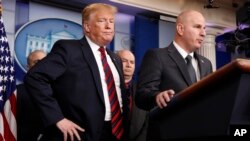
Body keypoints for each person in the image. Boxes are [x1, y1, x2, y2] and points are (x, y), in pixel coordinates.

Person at [24, 3, 129, 141]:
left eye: (111, 21)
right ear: (87, 27)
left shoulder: (115, 58)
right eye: (102, 21)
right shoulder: (68, 49)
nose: (109, 26)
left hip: (114, 133)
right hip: (79, 134)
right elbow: (35, 77)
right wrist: (57, 118)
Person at [135, 10, 213, 140]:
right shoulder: (157, 56)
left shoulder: (206, 64)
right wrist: (156, 97)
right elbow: (141, 95)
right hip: (167, 133)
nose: (203, 33)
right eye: (197, 27)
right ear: (180, 29)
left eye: (204, 28)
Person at [116, 50, 148, 141]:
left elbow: (146, 124)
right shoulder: (105, 87)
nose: (129, 65)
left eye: (132, 62)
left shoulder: (143, 91)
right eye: (124, 61)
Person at [17, 50, 46, 141]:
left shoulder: (59, 93)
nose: (41, 65)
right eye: (37, 62)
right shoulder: (15, 92)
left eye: (45, 62)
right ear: (28, 67)